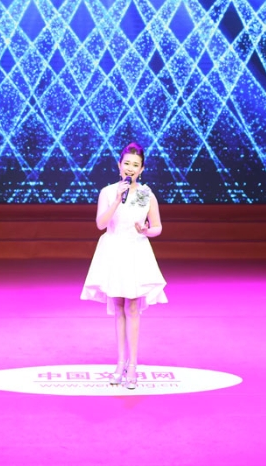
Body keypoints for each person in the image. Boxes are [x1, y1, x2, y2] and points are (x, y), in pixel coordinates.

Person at [80, 142, 167, 390]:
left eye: (135, 165)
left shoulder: (146, 194)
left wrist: (146, 230)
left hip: (136, 251)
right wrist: (117, 200)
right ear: (119, 165)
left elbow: (157, 227)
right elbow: (100, 224)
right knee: (118, 307)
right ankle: (120, 363)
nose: (130, 168)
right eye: (126, 163)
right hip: (114, 251)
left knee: (133, 307)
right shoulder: (108, 192)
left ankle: (133, 366)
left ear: (142, 169)